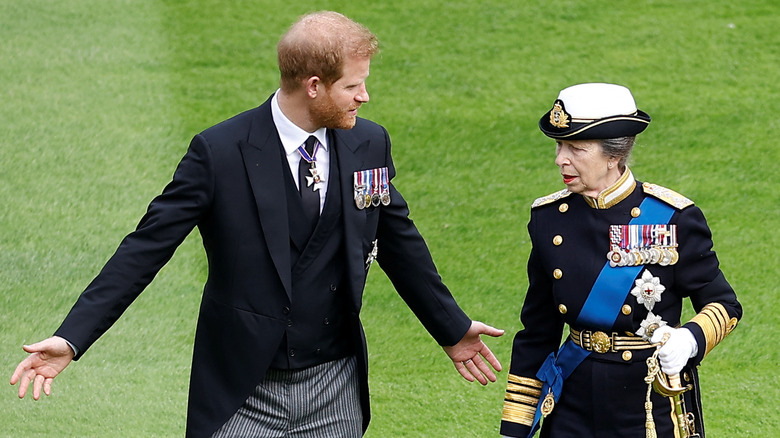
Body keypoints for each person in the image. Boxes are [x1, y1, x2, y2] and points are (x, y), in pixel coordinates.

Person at [10, 11, 504, 438]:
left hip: (335, 385)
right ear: (314, 85)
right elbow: (145, 249)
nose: (365, 97)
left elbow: (397, 240)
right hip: (241, 392)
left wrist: (452, 329)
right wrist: (72, 338)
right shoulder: (219, 153)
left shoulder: (368, 145)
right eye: (353, 86)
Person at [499, 83, 742, 438]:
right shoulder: (549, 218)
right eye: (559, 145)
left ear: (614, 155)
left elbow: (724, 304)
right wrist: (515, 427)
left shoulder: (672, 216)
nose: (560, 159)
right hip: (571, 400)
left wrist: (689, 339)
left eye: (576, 149)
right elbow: (538, 331)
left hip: (647, 400)